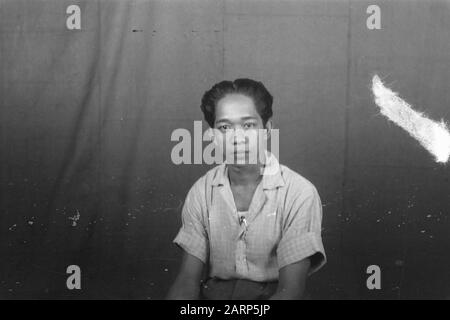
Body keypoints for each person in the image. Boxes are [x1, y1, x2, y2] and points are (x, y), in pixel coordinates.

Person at [167, 78, 326, 300]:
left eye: (248, 125)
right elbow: (186, 282)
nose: (237, 138)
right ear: (212, 135)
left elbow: (290, 292)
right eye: (224, 127)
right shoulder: (202, 191)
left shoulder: (299, 193)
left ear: (267, 129)